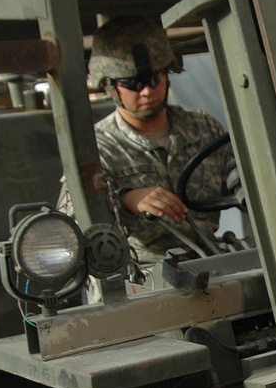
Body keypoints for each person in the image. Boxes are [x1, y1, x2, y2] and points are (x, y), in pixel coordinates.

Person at [72, 15, 236, 264]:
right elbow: (72, 222)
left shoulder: (203, 127)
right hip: (140, 277)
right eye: (133, 83)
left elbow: (241, 174)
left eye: (153, 79)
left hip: (211, 261)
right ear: (109, 85)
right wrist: (125, 200)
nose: (147, 91)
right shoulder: (96, 147)